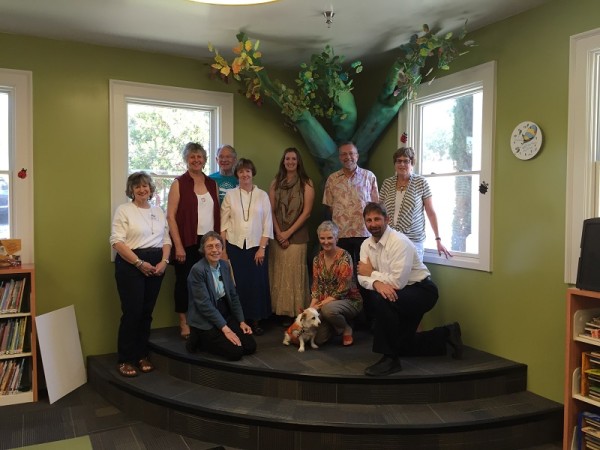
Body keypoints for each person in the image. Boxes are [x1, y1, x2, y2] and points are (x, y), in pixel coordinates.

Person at [357, 202, 462, 376]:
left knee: (385, 301)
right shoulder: (366, 245)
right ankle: (447, 334)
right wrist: (376, 283)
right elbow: (362, 276)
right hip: (401, 290)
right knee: (403, 344)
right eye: (369, 220)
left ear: (387, 220)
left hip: (422, 291)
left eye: (377, 219)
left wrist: (373, 273)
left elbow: (397, 283)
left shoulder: (399, 242)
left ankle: (390, 360)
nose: (373, 224)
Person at [110, 171, 172, 378]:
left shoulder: (158, 211)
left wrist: (164, 261)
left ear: (151, 189)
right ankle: (125, 359)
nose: (142, 189)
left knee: (146, 313)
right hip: (131, 265)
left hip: (156, 265)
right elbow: (117, 242)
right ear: (131, 190)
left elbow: (166, 239)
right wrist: (139, 263)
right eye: (137, 186)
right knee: (132, 312)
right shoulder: (124, 210)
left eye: (145, 186)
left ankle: (141, 355)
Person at [167, 142, 220, 339]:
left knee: (208, 283)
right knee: (184, 282)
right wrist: (178, 245)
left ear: (205, 160)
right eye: (192, 157)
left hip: (208, 242)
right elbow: (171, 216)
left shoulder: (212, 183)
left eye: (199, 157)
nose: (196, 160)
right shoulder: (179, 183)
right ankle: (184, 322)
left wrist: (217, 243)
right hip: (187, 241)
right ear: (186, 160)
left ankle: (204, 320)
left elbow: (217, 214)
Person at [221, 158, 273, 335]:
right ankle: (239, 321)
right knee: (238, 285)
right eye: (241, 171)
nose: (244, 174)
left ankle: (256, 321)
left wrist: (262, 248)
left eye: (247, 171)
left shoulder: (262, 195)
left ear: (252, 173)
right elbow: (223, 224)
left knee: (256, 285)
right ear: (237, 174)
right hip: (234, 246)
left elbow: (268, 224)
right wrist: (223, 250)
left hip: (256, 248)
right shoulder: (230, 195)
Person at [186, 231, 256, 361]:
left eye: (218, 246)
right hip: (205, 318)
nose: (215, 250)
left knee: (250, 346)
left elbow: (233, 296)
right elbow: (204, 305)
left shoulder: (225, 265)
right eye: (210, 246)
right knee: (236, 352)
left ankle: (218, 334)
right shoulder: (197, 270)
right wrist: (226, 329)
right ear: (203, 250)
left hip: (223, 312)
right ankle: (199, 340)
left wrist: (241, 321)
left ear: (222, 248)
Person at [379, 147, 451, 261]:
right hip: (390, 239)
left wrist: (438, 239)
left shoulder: (421, 182)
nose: (402, 164)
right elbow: (380, 211)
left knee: (413, 277)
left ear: (412, 163)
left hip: (413, 241)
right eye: (399, 161)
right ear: (395, 163)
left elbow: (431, 212)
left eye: (406, 161)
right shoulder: (387, 183)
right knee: (391, 276)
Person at [268, 147, 314, 325]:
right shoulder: (275, 183)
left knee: (294, 274)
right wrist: (279, 232)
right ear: (283, 161)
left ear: (298, 161)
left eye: (294, 159)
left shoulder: (306, 183)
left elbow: (307, 212)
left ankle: (293, 312)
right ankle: (277, 311)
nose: (290, 162)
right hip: (277, 235)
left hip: (298, 236)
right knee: (278, 272)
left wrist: (288, 233)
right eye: (287, 159)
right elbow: (270, 210)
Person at [322, 141, 379, 271]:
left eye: (351, 153)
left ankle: (364, 292)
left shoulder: (369, 177)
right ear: (339, 158)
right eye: (343, 154)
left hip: (364, 233)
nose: (348, 157)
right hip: (341, 234)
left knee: (364, 272)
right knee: (343, 272)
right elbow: (330, 207)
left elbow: (375, 207)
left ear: (357, 156)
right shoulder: (332, 179)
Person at [310, 221, 363, 347]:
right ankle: (335, 323)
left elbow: (343, 289)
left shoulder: (344, 256)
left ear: (336, 238)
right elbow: (316, 287)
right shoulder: (317, 259)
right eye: (322, 238)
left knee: (328, 310)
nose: (326, 242)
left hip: (348, 300)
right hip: (325, 303)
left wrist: (319, 306)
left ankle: (346, 328)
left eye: (329, 238)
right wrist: (310, 309)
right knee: (318, 340)